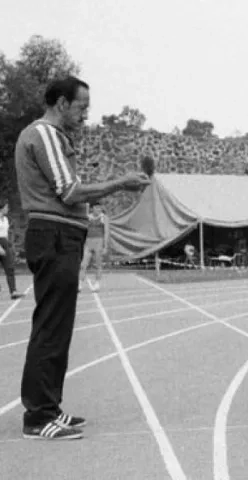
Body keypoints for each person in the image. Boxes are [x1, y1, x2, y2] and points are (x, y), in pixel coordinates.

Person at [14, 76, 150, 440]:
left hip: (60, 236)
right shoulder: (43, 134)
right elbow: (70, 191)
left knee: (57, 327)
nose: (85, 114)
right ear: (61, 102)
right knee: (51, 327)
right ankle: (38, 416)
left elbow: (67, 193)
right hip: (53, 237)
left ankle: (49, 408)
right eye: (81, 106)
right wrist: (120, 182)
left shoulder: (55, 138)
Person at [78, 203, 109, 292]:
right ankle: (79, 284)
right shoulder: (88, 217)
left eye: (100, 208)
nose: (98, 210)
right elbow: (83, 230)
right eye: (96, 208)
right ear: (92, 209)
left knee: (98, 264)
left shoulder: (104, 218)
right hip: (88, 241)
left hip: (99, 241)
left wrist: (105, 246)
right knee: (83, 264)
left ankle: (97, 284)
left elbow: (106, 232)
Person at [0, 202, 25, 300]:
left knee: (9, 268)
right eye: (6, 207)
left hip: (4, 242)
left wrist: (8, 247)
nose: (8, 209)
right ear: (1, 208)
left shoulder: (5, 219)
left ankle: (13, 291)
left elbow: (5, 234)